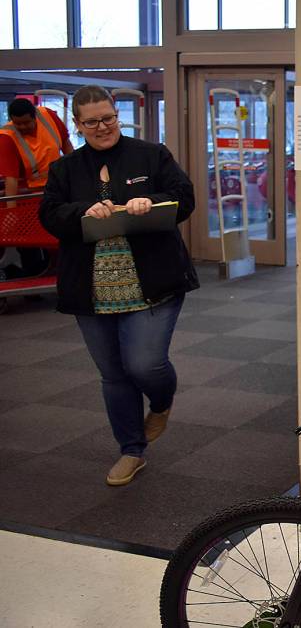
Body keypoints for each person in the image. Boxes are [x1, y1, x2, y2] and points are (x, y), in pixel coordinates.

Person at [39, 85, 198, 487]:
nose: (102, 127)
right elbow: (50, 215)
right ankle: (131, 450)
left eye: (108, 118)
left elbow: (184, 197)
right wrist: (82, 211)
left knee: (145, 365)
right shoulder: (65, 169)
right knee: (114, 374)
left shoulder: (150, 154)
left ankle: (161, 403)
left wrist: (152, 199)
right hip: (91, 290)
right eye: (91, 122)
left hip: (153, 281)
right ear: (77, 125)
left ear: (118, 115)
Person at [1, 98, 74, 278]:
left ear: (35, 116)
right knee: (32, 241)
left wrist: (77, 174)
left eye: (26, 122)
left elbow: (66, 145)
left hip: (59, 189)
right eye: (18, 123)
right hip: (32, 196)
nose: (23, 127)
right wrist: (12, 215)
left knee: (63, 235)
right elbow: (11, 180)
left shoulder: (48, 116)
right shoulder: (7, 137)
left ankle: (61, 270)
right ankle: (32, 278)